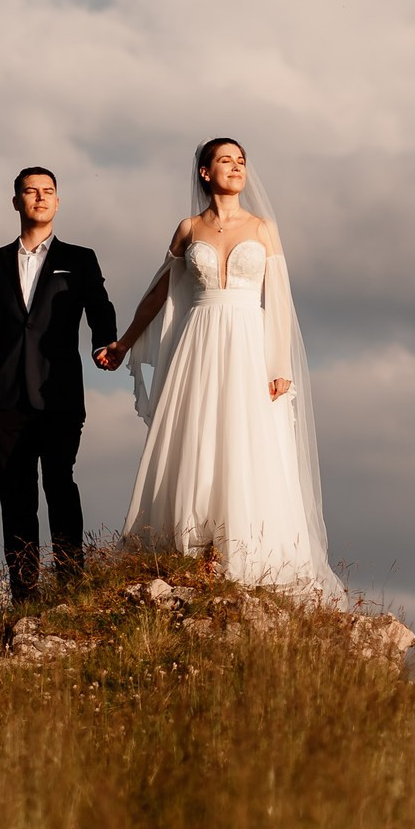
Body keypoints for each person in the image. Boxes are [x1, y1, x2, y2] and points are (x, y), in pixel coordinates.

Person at [101, 137, 341, 601]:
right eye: (225, 161)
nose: (236, 167)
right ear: (206, 173)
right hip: (200, 339)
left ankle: (245, 549)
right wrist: (125, 342)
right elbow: (159, 292)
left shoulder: (263, 227)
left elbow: (280, 300)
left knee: (246, 436)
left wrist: (279, 362)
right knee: (198, 432)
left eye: (242, 161)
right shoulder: (188, 228)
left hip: (249, 340)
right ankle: (194, 545)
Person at [0, 167, 119, 603]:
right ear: (16, 201)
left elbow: (99, 307)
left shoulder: (79, 258)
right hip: (3, 400)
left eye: (48, 191)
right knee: (15, 496)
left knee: (59, 483)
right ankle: (24, 594)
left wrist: (105, 343)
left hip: (59, 394)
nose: (40, 197)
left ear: (58, 201)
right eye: (31, 191)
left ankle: (72, 585)